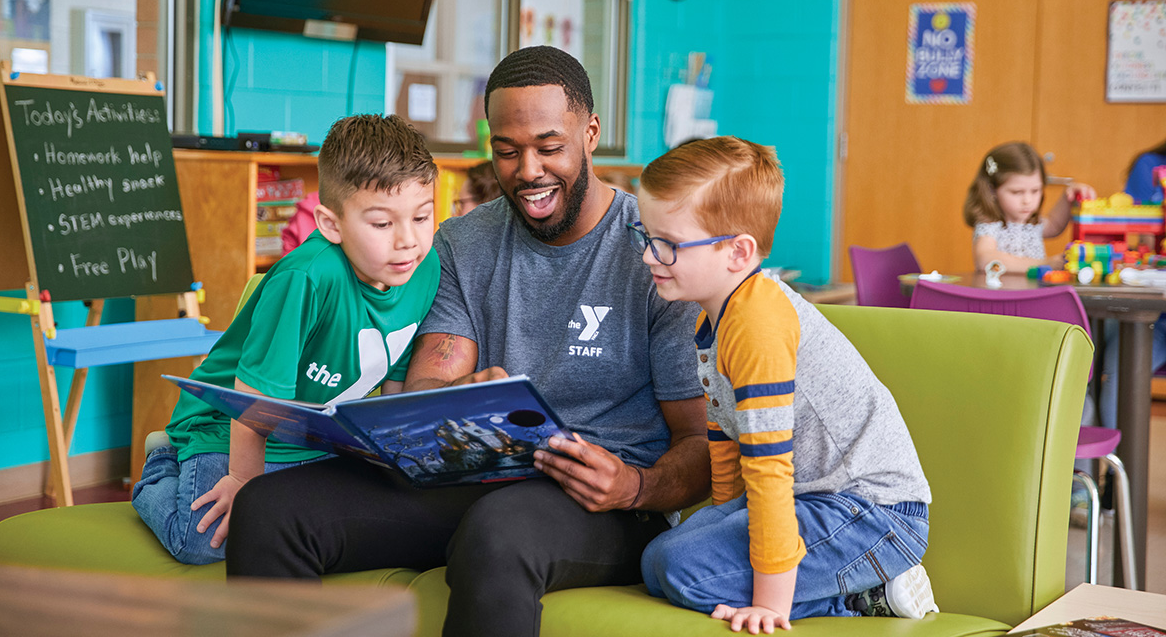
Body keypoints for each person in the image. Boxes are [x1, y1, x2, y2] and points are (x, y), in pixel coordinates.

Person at [224, 45, 709, 637]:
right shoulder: (463, 242)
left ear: (590, 134)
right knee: (270, 511)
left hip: (604, 500)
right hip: (478, 473)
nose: (528, 170)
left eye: (549, 148)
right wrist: (461, 395)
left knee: (497, 531)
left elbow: (699, 443)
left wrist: (634, 487)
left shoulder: (654, 254)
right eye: (507, 152)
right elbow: (429, 379)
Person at [635, 137, 937, 632]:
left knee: (679, 568)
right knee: (657, 559)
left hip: (875, 514)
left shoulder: (757, 324)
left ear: (738, 251)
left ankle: (865, 597)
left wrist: (770, 604)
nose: (649, 256)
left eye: (667, 243)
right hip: (808, 501)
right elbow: (726, 439)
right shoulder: (711, 318)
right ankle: (842, 585)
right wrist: (725, 517)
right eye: (646, 235)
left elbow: (768, 464)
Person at [132, 114, 441, 564]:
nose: (408, 241)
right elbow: (251, 396)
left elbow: (393, 372)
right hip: (226, 428)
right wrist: (243, 482)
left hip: (309, 440)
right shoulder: (307, 277)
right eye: (381, 224)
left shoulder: (422, 269)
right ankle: (163, 465)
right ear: (331, 224)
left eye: (422, 216)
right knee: (203, 542)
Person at [1098, 137, 1166, 430]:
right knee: (1116, 369)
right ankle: (1113, 471)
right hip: (1153, 318)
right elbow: (1132, 231)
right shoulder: (1151, 165)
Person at [963, 141, 1095, 273]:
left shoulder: (1030, 223)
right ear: (992, 190)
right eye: (1017, 192)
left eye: (1035, 190)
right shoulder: (989, 224)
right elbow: (985, 259)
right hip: (1002, 293)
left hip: (1032, 292)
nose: (1028, 200)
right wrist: (1044, 263)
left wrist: (1069, 195)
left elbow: (1054, 224)